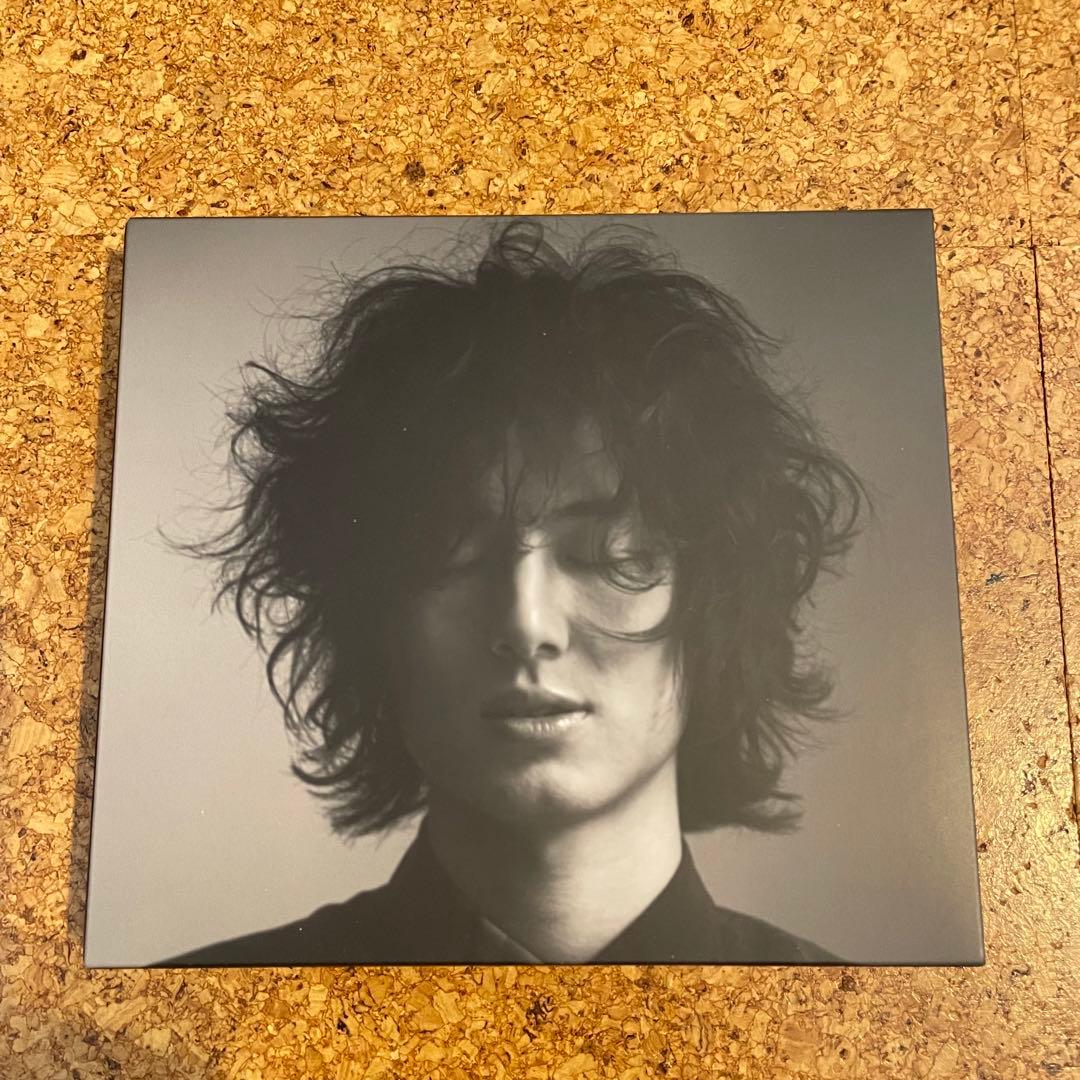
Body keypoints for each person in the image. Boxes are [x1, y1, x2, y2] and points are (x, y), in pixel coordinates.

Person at [164, 220, 864, 966]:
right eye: (452, 557)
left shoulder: (869, 1026)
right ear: (373, 623)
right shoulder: (189, 1014)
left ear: (716, 612)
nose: (527, 625)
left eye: (608, 554)